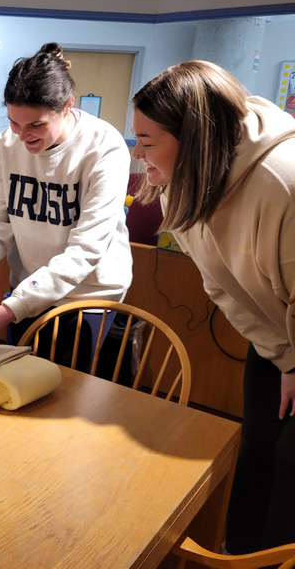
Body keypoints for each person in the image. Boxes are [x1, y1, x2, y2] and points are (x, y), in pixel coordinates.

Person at [130, 60, 295, 553]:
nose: (140, 157)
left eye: (147, 141)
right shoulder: (182, 179)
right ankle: (236, 556)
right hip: (276, 339)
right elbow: (219, 282)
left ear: (195, 137)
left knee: (289, 472)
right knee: (257, 451)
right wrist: (282, 356)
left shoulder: (281, 180)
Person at [0, 43, 132, 361]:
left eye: (36, 125)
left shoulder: (104, 147)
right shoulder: (7, 144)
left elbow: (85, 250)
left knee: (70, 400)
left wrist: (11, 307)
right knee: (22, 385)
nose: (22, 135)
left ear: (68, 106)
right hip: (29, 289)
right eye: (14, 122)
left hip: (88, 298)